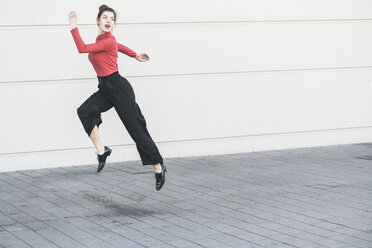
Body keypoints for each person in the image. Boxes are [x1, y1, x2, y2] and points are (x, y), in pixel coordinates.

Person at [68, 4, 166, 191]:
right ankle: (102, 151)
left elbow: (83, 48)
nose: (109, 21)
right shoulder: (103, 40)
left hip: (119, 89)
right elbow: (118, 46)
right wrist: (134, 54)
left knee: (136, 128)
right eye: (105, 17)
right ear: (98, 20)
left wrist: (73, 27)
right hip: (106, 88)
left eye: (112, 19)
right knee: (85, 111)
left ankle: (158, 166)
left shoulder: (107, 41)